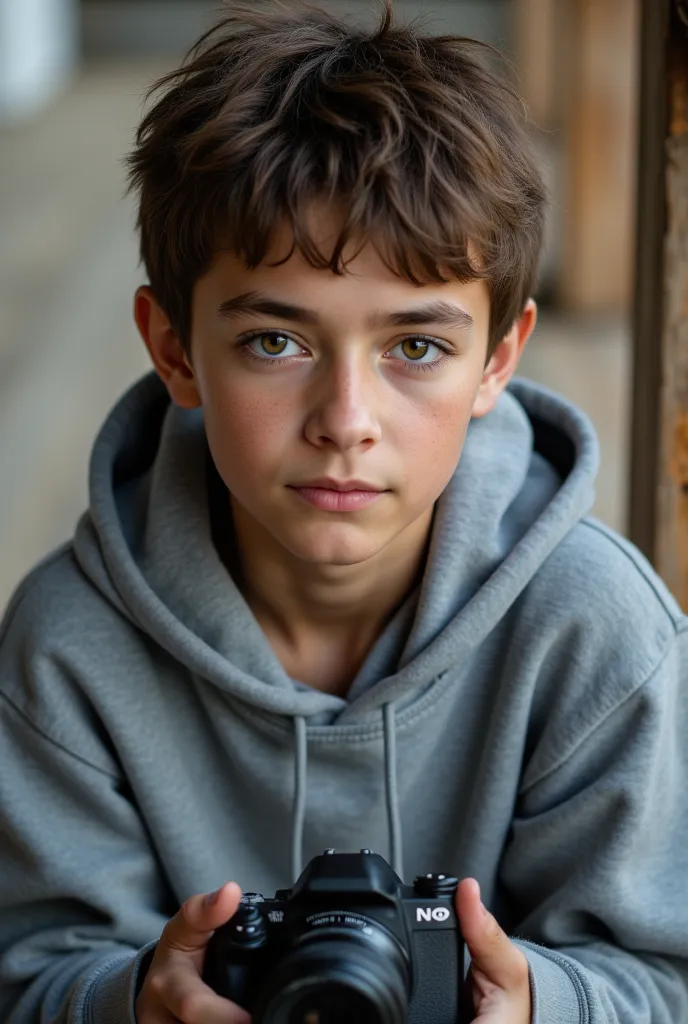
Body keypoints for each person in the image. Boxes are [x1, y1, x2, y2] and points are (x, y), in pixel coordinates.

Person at [1, 1, 687, 1021]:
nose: (345, 421)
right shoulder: (70, 646)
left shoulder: (592, 633)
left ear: (498, 358)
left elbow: (660, 978)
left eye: (416, 347)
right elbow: (31, 971)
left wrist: (543, 1002)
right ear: (175, 348)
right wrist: (134, 1000)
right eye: (276, 342)